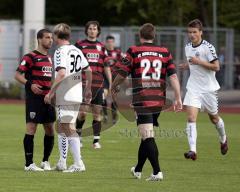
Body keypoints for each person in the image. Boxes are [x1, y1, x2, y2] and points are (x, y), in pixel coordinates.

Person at [112, 23, 182, 181]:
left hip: (142, 100)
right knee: (146, 136)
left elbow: (122, 72)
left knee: (148, 137)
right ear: (154, 35)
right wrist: (178, 98)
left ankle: (157, 172)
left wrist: (114, 85)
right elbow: (173, 77)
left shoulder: (134, 51)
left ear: (140, 35)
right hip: (159, 101)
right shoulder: (165, 52)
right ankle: (137, 170)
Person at [44, 23, 92, 172]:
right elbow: (88, 69)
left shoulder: (60, 52)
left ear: (57, 36)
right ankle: (62, 162)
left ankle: (78, 164)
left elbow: (62, 73)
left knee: (67, 127)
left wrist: (51, 92)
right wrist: (88, 89)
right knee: (63, 126)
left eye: (54, 35)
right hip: (76, 92)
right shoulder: (77, 50)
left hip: (65, 93)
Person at [179, 19, 228, 161]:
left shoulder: (208, 47)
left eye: (194, 32)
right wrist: (188, 66)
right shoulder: (188, 47)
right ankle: (192, 150)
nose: (192, 35)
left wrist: (198, 62)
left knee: (214, 118)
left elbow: (216, 67)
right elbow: (193, 63)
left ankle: (223, 138)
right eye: (189, 32)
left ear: (201, 32)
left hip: (208, 89)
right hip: (193, 87)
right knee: (191, 117)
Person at [15, 29, 55, 171]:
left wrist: (51, 93)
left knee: (50, 129)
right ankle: (29, 164)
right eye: (47, 37)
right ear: (39, 39)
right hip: (34, 98)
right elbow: (18, 74)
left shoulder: (50, 58)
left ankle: (45, 161)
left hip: (47, 98)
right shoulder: (30, 57)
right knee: (32, 128)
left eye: (51, 38)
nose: (50, 40)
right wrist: (30, 84)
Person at [75, 21, 112, 149]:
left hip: (98, 84)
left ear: (98, 31)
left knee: (97, 112)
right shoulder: (79, 45)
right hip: (83, 84)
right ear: (87, 30)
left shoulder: (102, 47)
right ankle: (78, 137)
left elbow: (106, 66)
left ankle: (96, 141)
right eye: (90, 28)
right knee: (83, 113)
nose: (92, 31)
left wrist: (111, 84)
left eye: (94, 29)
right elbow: (73, 64)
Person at [103, 35, 122, 124]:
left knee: (114, 98)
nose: (110, 44)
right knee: (104, 96)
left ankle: (114, 117)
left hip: (115, 79)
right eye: (108, 42)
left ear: (114, 43)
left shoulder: (118, 53)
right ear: (106, 43)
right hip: (104, 78)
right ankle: (105, 115)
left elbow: (123, 64)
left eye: (112, 42)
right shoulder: (103, 52)